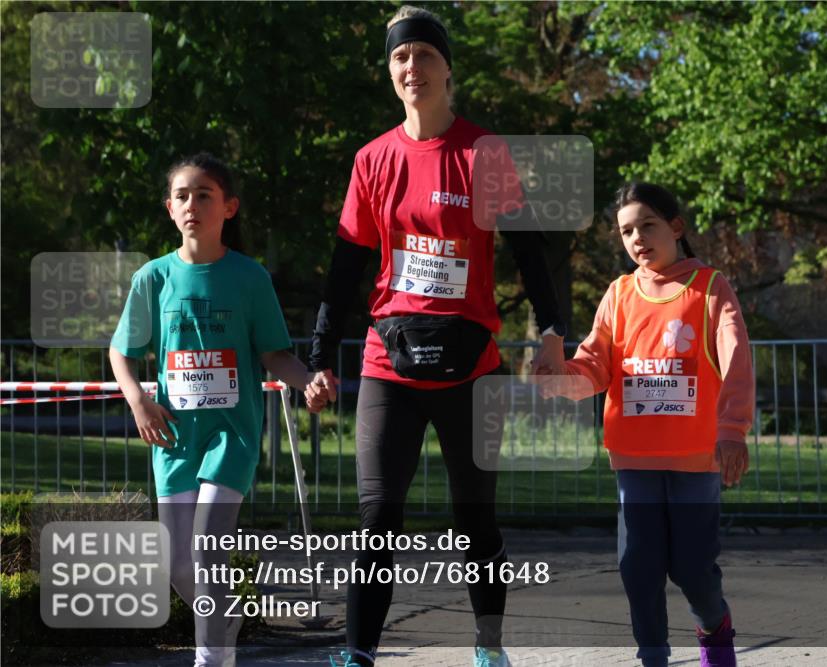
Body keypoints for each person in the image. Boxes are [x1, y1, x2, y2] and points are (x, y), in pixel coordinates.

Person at [304, 6, 567, 667]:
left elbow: (531, 249)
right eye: (400, 58)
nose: (411, 67)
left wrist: (554, 330)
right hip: (387, 363)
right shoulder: (373, 160)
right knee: (376, 514)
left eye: (423, 55)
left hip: (471, 365)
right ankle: (357, 653)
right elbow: (345, 268)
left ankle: (488, 647)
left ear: (448, 68)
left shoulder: (486, 153)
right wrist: (319, 356)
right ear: (389, 72)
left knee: (475, 516)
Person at [109, 152, 324, 667]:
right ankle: (223, 618)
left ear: (229, 207)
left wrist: (308, 382)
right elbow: (122, 351)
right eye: (182, 196)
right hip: (173, 438)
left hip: (233, 434)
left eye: (204, 195)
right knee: (178, 565)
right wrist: (138, 399)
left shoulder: (249, 278)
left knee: (207, 543)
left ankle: (212, 659)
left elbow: (275, 354)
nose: (192, 204)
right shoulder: (153, 279)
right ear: (169, 208)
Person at [535, 182, 753, 667]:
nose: (637, 238)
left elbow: (737, 360)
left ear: (676, 227)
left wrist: (732, 430)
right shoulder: (618, 294)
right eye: (627, 231)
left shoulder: (712, 287)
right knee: (638, 567)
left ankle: (714, 630)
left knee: (694, 570)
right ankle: (652, 656)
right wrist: (558, 379)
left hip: (697, 460)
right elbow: (593, 366)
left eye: (647, 225)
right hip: (634, 461)